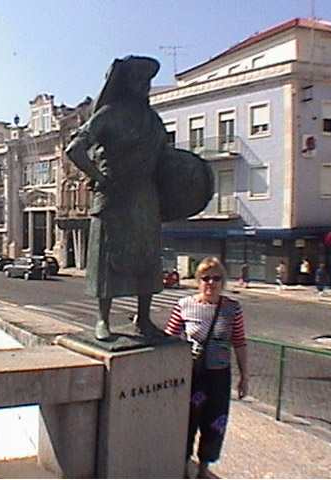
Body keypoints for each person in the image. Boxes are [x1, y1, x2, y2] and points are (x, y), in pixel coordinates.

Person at [65, 55, 213, 341]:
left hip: (145, 197)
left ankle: (143, 319)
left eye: (147, 81)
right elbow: (75, 149)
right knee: (107, 261)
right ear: (126, 83)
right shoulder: (108, 114)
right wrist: (99, 177)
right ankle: (103, 321)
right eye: (139, 80)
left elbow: (164, 159)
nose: (145, 86)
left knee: (148, 259)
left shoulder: (152, 120)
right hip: (113, 198)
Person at [164, 257, 248, 479]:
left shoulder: (232, 309)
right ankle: (183, 466)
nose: (211, 283)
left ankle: (203, 469)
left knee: (215, 422)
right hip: (192, 375)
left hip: (219, 377)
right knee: (187, 421)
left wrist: (244, 376)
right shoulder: (184, 305)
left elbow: (239, 342)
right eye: (205, 278)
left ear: (223, 281)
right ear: (198, 281)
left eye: (216, 278)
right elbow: (169, 337)